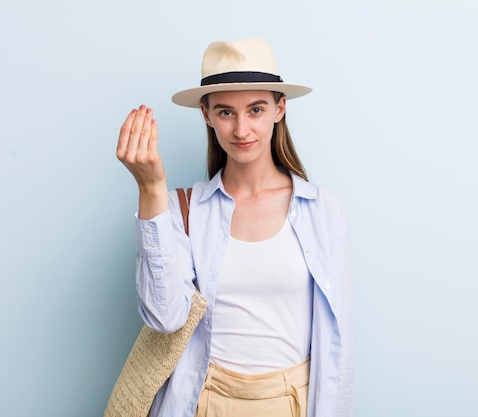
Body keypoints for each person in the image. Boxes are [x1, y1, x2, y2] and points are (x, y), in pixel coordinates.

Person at [116, 38, 355, 417]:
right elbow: (165, 319)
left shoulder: (322, 210)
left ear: (279, 109)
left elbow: (337, 344)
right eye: (226, 112)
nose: (242, 129)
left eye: (255, 109)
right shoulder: (183, 210)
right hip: (204, 400)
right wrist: (150, 189)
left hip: (290, 401)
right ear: (207, 115)